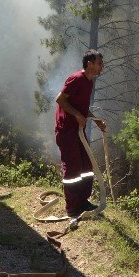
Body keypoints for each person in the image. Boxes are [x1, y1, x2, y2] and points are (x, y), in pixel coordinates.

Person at [54, 49, 107, 218]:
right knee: (73, 169)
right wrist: (77, 115)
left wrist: (96, 119)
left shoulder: (89, 82)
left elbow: (82, 108)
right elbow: (60, 99)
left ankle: (83, 201)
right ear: (89, 64)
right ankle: (72, 208)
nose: (102, 67)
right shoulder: (76, 79)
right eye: (99, 63)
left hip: (78, 132)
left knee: (86, 165)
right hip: (66, 131)